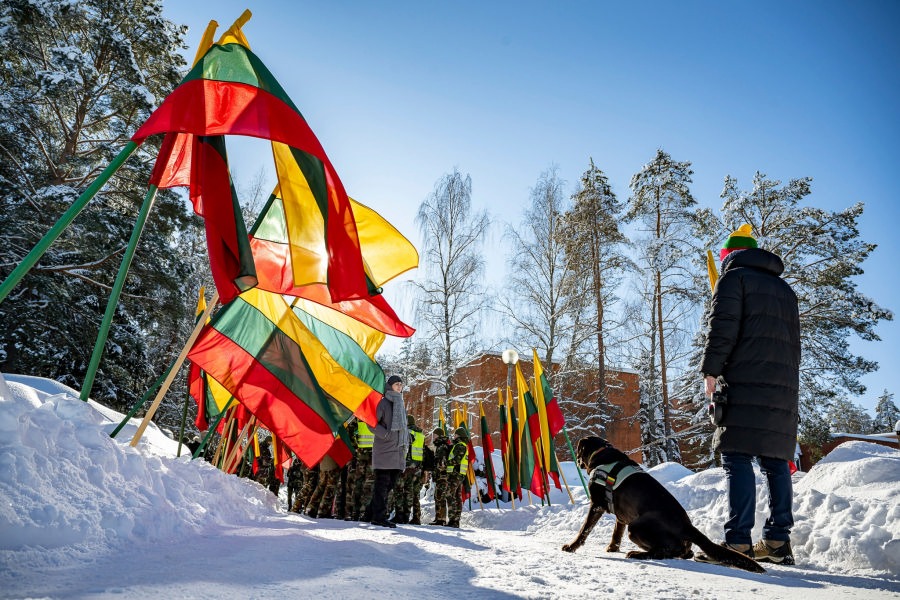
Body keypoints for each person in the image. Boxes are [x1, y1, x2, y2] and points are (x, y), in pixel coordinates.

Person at [695, 224, 800, 566]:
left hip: (743, 381)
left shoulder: (733, 279)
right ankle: (777, 541)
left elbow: (722, 327)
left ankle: (737, 542)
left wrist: (710, 370)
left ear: (728, 256)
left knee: (736, 456)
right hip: (782, 390)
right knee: (774, 460)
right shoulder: (785, 290)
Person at [368, 375, 409, 528]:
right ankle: (378, 517)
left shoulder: (400, 403)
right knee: (382, 486)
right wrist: (386, 434)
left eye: (401, 385)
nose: (399, 387)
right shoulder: (383, 403)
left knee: (389, 485)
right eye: (397, 384)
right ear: (389, 386)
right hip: (385, 451)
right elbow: (371, 423)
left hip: (397, 452)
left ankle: (369, 513)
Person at [444, 427, 470, 528]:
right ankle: (455, 520)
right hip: (459, 474)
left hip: (456, 474)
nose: (454, 436)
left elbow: (456, 460)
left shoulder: (460, 446)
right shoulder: (461, 445)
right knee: (457, 497)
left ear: (458, 436)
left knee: (450, 495)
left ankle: (453, 520)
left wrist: (445, 463)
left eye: (455, 435)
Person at [429, 427, 451, 526]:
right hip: (439, 476)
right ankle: (438, 517)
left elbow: (442, 462)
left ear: (439, 435)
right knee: (437, 496)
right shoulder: (439, 446)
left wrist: (438, 470)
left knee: (440, 496)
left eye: (435, 435)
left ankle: (441, 519)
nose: (434, 437)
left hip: (442, 476)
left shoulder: (442, 446)